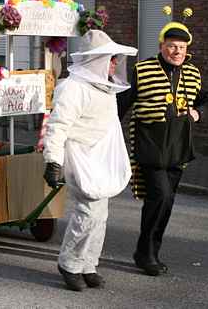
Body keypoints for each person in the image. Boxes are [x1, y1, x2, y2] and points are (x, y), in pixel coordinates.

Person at [43, 29, 138, 291]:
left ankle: (87, 264)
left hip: (99, 157)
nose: (115, 64)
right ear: (96, 60)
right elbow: (58, 126)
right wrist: (53, 161)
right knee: (87, 212)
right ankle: (69, 264)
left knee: (101, 214)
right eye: (111, 59)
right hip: (79, 154)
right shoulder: (72, 88)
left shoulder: (104, 88)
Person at [118, 16, 206, 277]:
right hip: (150, 145)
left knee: (165, 203)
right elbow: (122, 105)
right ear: (161, 46)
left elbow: (206, 98)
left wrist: (198, 112)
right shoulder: (142, 70)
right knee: (161, 197)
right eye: (171, 45)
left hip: (178, 148)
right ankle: (146, 254)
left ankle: (148, 251)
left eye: (181, 46)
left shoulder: (193, 72)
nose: (177, 51)